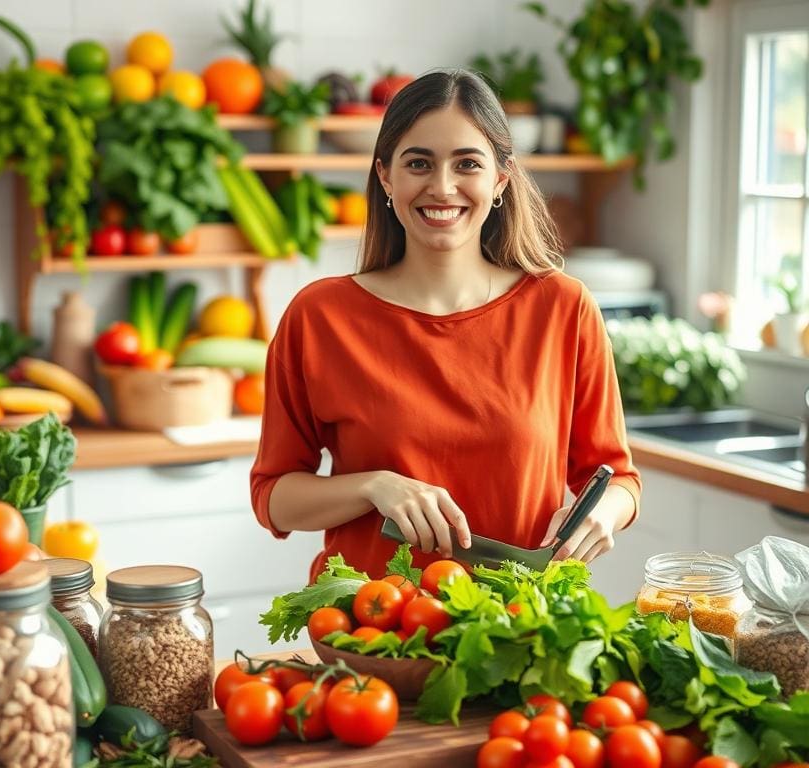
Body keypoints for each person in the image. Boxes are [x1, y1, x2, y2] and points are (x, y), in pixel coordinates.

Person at [250, 69, 641, 583]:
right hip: (370, 625)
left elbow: (618, 479)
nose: (442, 187)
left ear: (500, 180)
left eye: (467, 164)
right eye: (418, 163)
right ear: (386, 176)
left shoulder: (562, 308)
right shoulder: (320, 316)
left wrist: (601, 514)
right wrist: (374, 487)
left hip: (518, 627)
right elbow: (274, 497)